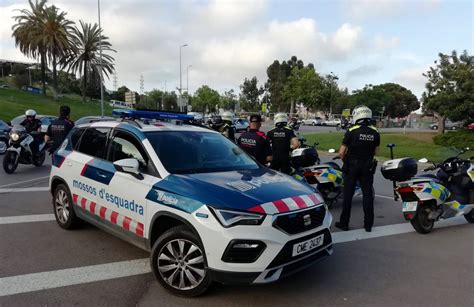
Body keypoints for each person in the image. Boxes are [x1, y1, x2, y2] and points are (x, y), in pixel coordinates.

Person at [335, 105, 380, 232]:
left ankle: (344, 223)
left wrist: (345, 161)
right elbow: (376, 151)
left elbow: (342, 152)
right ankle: (368, 225)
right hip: (367, 166)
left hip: (352, 165)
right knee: (367, 195)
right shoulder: (375, 132)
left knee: (348, 195)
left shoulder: (352, 130)